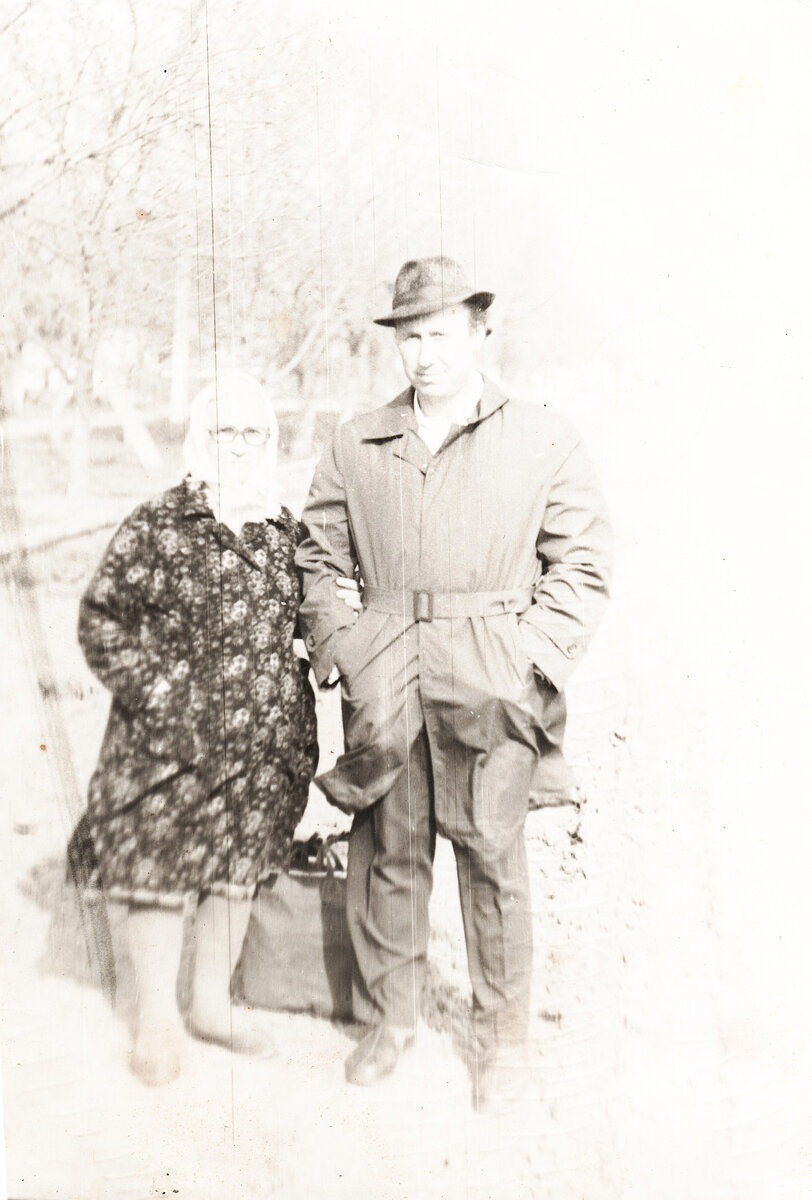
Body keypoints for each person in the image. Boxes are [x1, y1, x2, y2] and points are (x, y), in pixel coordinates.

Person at [295, 257, 613, 1112]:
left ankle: (501, 1039)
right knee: (388, 850)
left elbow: (582, 564)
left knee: (492, 857)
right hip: (389, 672)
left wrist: (528, 661)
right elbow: (316, 555)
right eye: (409, 338)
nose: (423, 355)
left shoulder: (542, 437)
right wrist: (345, 648)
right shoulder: (357, 442)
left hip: (490, 675)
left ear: (478, 333)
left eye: (438, 335)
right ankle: (390, 1018)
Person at [69, 370, 321, 1086]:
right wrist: (159, 691)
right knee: (157, 866)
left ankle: (211, 1005)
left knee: (238, 868)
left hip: (263, 742)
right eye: (222, 430)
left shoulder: (287, 532)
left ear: (269, 440)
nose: (237, 445)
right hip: (167, 742)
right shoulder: (158, 525)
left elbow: (317, 615)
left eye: (251, 432)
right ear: (197, 437)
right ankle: (156, 1017)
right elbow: (102, 619)